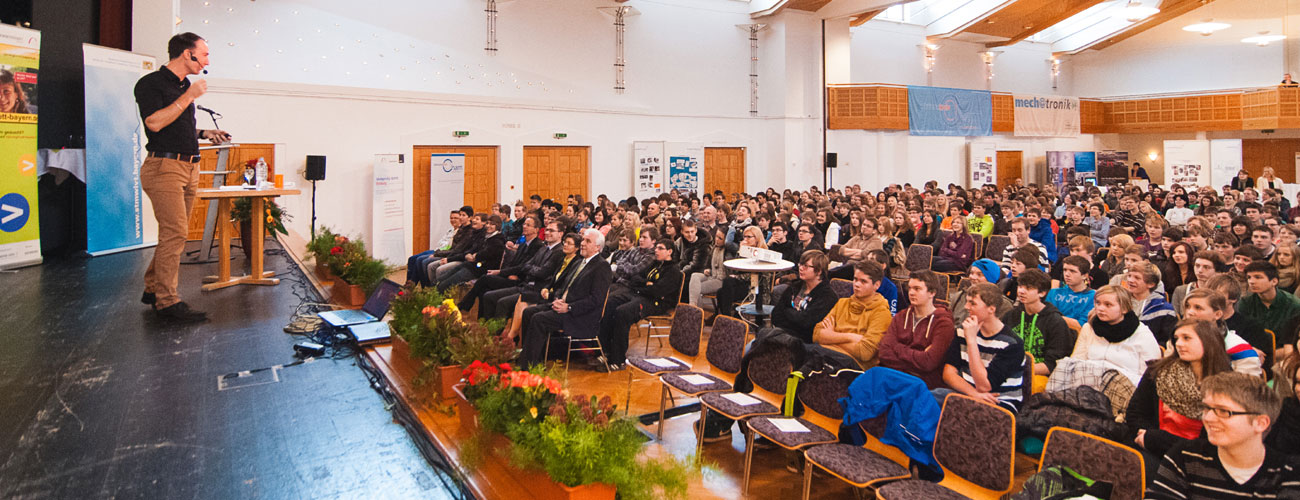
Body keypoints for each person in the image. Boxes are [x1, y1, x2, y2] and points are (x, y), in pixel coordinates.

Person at [134, 32, 232, 322]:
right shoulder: (150, 84)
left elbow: (176, 125)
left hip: (190, 167)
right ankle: (167, 302)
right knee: (175, 234)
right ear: (186, 54)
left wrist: (204, 133)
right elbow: (154, 122)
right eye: (203, 54)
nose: (206, 60)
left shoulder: (183, 85)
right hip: (165, 168)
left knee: (174, 234)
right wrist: (189, 97)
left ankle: (153, 289)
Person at [1145, 372, 1298, 499]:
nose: (1208, 418)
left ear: (1260, 423)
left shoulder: (1289, 474)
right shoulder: (1184, 457)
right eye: (1206, 408)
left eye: (1223, 411)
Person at [1128, 319, 1235, 476]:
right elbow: (1135, 415)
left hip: (1199, 459)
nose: (1178, 344)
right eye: (1176, 338)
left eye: (1186, 338)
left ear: (1208, 340)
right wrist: (1149, 438)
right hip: (1149, 448)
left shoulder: (1228, 384)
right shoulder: (1158, 371)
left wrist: (1159, 440)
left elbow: (1217, 444)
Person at [518, 229, 613, 367]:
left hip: (581, 316)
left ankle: (528, 365)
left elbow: (596, 300)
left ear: (597, 247)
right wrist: (558, 299)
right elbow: (563, 286)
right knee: (528, 312)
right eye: (583, 240)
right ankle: (533, 358)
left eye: (588, 241)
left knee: (539, 319)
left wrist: (569, 307)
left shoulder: (602, 266)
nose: (582, 244)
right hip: (565, 306)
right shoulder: (579, 262)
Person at [934, 282, 1027, 413]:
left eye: (972, 303)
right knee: (925, 398)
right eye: (967, 302)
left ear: (991, 309)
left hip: (999, 402)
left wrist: (971, 341)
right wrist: (973, 394)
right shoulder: (963, 331)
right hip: (967, 394)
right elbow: (948, 373)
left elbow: (984, 386)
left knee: (966, 413)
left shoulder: (1012, 344)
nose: (966, 307)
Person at [596, 238, 683, 372]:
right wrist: (646, 284)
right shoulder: (654, 263)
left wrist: (644, 286)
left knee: (622, 312)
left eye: (660, 248)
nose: (656, 251)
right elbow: (635, 278)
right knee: (609, 303)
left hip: (656, 303)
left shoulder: (673, 271)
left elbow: (658, 291)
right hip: (639, 294)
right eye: (656, 248)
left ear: (669, 251)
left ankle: (617, 359)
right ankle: (604, 350)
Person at [1068, 285, 1162, 385]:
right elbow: (1076, 361)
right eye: (1098, 303)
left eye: (1108, 305)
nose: (1100, 308)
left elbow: (1149, 376)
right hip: (1089, 384)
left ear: (1124, 309)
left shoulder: (1142, 334)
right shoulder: (1089, 327)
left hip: (1126, 387)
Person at [878, 270, 956, 388]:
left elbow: (928, 362)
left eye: (917, 289)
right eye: (909, 288)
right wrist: (918, 357)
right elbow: (884, 353)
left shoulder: (944, 324)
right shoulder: (901, 316)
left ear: (932, 293)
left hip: (923, 383)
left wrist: (897, 346)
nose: (911, 293)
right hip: (894, 374)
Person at [812, 260, 893, 369]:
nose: (857, 284)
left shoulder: (881, 313)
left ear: (876, 285)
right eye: (855, 279)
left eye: (863, 281)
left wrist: (830, 335)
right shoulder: (842, 303)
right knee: (794, 347)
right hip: (825, 353)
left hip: (853, 365)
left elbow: (865, 352)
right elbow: (816, 335)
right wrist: (851, 337)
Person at [1006, 269, 1076, 394]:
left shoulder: (1055, 321)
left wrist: (1021, 369)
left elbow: (1053, 363)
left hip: (1038, 375)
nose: (1021, 291)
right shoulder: (1011, 315)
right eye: (1020, 286)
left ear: (1042, 293)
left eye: (1028, 288)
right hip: (1010, 369)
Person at [458, 216, 545, 315]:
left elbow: (524, 267)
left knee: (485, 279)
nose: (524, 226)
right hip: (511, 276)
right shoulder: (524, 244)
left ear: (536, 229)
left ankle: (464, 306)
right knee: (484, 290)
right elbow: (514, 264)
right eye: (524, 224)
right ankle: (483, 322)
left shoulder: (538, 246)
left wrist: (500, 272)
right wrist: (504, 273)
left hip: (520, 281)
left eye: (528, 225)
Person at [759, 250, 838, 344]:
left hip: (805, 342)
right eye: (800, 264)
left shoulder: (827, 296)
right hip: (783, 333)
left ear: (819, 271)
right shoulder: (795, 286)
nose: (800, 268)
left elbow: (807, 323)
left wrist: (787, 310)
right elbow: (776, 315)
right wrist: (796, 316)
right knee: (761, 336)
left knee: (764, 339)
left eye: (806, 266)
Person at [1182, 288, 1265, 377]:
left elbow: (1248, 388)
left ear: (1217, 314)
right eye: (1187, 306)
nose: (1190, 312)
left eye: (1198, 308)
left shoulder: (1238, 348)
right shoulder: (1178, 340)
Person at [1238, 261, 1300, 348]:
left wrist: (1271, 355)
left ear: (1274, 281)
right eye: (1249, 277)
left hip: (1284, 354)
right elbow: (1240, 335)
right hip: (1252, 351)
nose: (1251, 281)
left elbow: (1293, 343)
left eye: (1258, 277)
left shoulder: (1293, 305)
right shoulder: (1245, 302)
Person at [1125, 261, 1178, 345]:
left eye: (1137, 278)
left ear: (1151, 284)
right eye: (1129, 276)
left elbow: (1166, 341)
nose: (1130, 280)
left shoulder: (1165, 310)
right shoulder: (1119, 303)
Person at [952, 259, 1012, 325]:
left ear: (991, 278)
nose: (973, 277)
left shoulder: (1003, 304)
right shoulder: (959, 297)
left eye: (979, 274)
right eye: (971, 273)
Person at [1046, 255, 1096, 329]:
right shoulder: (1053, 293)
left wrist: (1054, 318)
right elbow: (1045, 318)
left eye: (1072, 271)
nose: (1067, 274)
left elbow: (1082, 325)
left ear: (1085, 276)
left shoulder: (1093, 296)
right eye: (1065, 270)